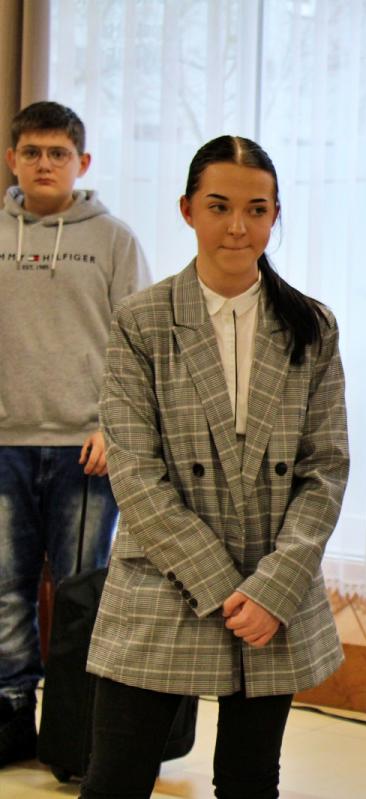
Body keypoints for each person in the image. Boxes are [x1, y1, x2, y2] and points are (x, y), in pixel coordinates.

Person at [81, 135, 350, 799]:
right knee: (116, 779)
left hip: (272, 586)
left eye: (257, 209)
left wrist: (273, 589)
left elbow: (325, 469)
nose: (238, 226)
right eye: (219, 206)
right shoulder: (142, 319)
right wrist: (226, 587)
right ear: (188, 210)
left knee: (249, 781)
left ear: (275, 214)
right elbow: (136, 474)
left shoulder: (311, 325)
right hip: (163, 578)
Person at [0, 100, 149, 766]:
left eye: (58, 153)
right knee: (4, 589)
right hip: (5, 445)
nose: (44, 164)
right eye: (32, 152)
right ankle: (10, 716)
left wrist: (113, 426)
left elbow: (140, 346)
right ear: (13, 159)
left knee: (81, 592)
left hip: (86, 452)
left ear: (81, 163)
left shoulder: (114, 239)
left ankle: (74, 730)